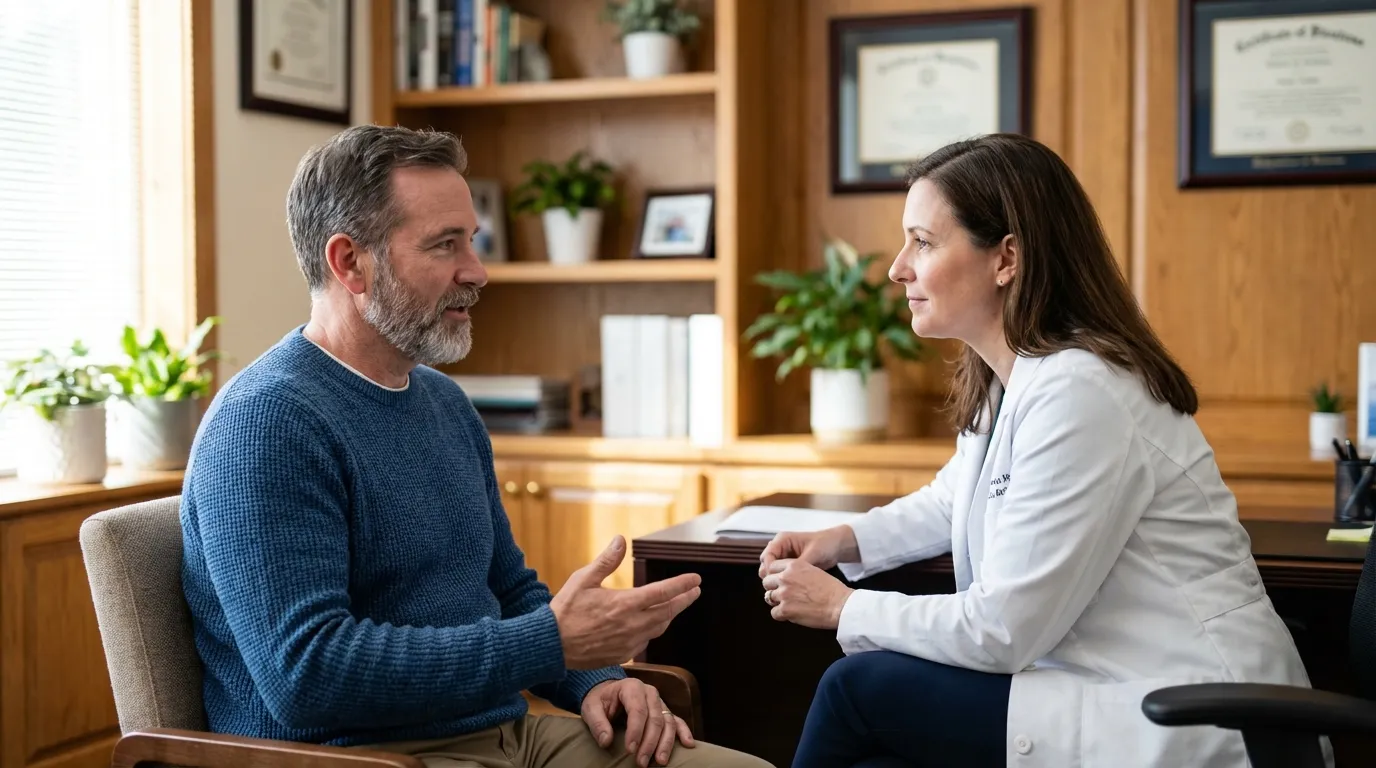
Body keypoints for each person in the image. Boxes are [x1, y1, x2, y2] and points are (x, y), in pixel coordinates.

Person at [179, 124, 771, 768]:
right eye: (445, 245)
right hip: (358, 757)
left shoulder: (443, 402)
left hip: (506, 736)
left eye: (472, 241)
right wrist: (550, 643)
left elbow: (508, 591)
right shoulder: (267, 423)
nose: (477, 271)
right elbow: (307, 676)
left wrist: (598, 678)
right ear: (349, 262)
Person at [757, 133, 1329, 768]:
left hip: (1193, 713)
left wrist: (844, 605)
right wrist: (842, 540)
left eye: (922, 241)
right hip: (1105, 687)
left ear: (1007, 258)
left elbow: (1004, 629)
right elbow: (956, 499)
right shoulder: (1017, 377)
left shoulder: (1081, 390)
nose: (897, 268)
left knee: (855, 692)